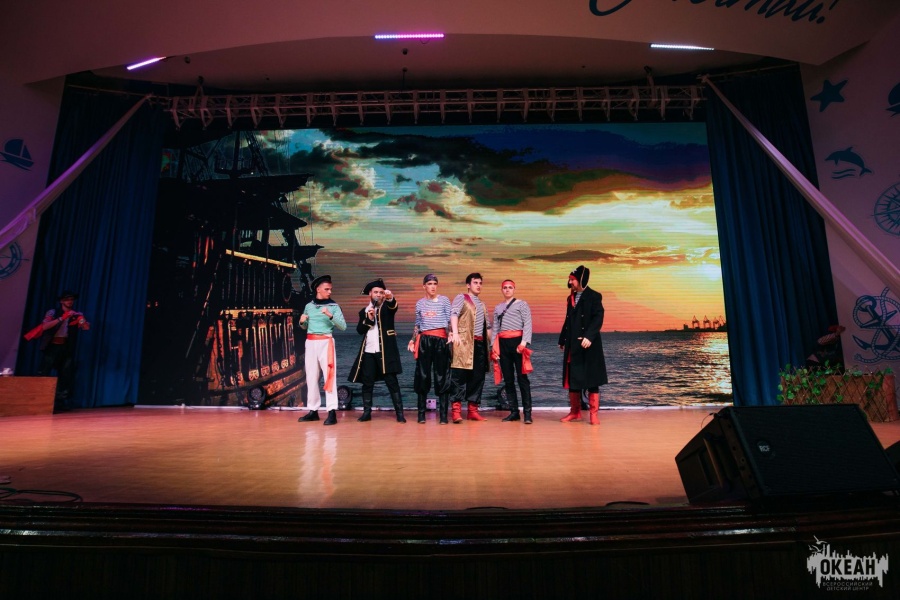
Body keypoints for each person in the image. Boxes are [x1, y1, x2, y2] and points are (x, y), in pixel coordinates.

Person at [348, 279, 406, 423]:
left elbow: (393, 306)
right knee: (367, 383)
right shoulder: (364, 311)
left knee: (392, 382)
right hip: (368, 352)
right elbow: (360, 330)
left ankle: (400, 414)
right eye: (376, 292)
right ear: (370, 293)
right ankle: (367, 413)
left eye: (381, 292)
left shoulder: (387, 308)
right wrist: (369, 318)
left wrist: (391, 298)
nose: (378, 295)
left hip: (385, 352)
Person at [558, 265, 607, 425]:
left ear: (581, 279)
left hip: (589, 345)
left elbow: (598, 318)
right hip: (573, 345)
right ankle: (575, 412)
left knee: (592, 380)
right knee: (574, 378)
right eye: (570, 279)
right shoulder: (570, 298)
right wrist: (562, 339)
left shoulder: (594, 296)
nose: (570, 282)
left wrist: (589, 336)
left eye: (572, 279)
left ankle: (593, 414)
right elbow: (568, 320)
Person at [298, 275, 347, 426]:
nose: (329, 292)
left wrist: (330, 315)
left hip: (326, 341)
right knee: (311, 377)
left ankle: (331, 412)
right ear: (318, 289)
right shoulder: (309, 306)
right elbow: (305, 326)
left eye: (330, 289)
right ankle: (313, 410)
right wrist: (301, 322)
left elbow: (343, 326)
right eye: (327, 289)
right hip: (311, 342)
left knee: (329, 376)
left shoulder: (334, 306)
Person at [407, 274, 452, 424]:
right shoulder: (420, 303)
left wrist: (451, 333)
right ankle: (421, 414)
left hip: (441, 340)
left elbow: (450, 320)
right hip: (425, 341)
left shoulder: (444, 300)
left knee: (442, 375)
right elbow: (418, 324)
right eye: (430, 283)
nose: (433, 286)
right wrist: (413, 340)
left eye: (435, 284)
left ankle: (443, 416)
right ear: (424, 286)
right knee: (422, 375)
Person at [34, 290, 90, 410]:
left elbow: (84, 327)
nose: (70, 301)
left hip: (66, 347)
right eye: (67, 299)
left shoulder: (76, 314)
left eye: (71, 299)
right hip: (52, 346)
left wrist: (82, 321)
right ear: (61, 301)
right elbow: (45, 326)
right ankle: (39, 400)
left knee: (65, 375)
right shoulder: (53, 312)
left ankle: (60, 403)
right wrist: (61, 318)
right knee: (44, 372)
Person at [448, 273, 491, 423]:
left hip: (479, 345)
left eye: (480, 283)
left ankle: (473, 411)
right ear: (468, 285)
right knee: (459, 376)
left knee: (477, 378)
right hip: (463, 342)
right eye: (475, 282)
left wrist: (493, 345)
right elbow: (454, 314)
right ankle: (456, 412)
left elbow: (488, 327)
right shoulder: (462, 298)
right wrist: (455, 333)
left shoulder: (482, 304)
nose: (478, 285)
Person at [491, 279, 534, 424]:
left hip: (518, 343)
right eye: (505, 287)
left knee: (522, 379)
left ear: (514, 289)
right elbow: (495, 329)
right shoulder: (498, 308)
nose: (507, 289)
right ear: (501, 290)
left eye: (510, 287)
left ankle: (527, 413)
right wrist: (493, 348)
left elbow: (527, 323)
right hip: (503, 344)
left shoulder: (522, 304)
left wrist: (523, 342)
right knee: (508, 380)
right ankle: (514, 412)